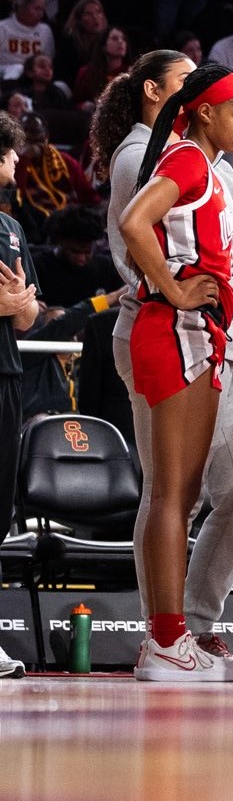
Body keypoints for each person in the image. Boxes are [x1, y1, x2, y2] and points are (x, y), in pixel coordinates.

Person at [98, 50, 233, 678]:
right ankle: (168, 638)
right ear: (201, 109)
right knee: (174, 492)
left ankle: (182, 636)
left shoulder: (203, 161)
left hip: (203, 334)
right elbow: (133, 226)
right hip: (173, 329)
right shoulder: (171, 157)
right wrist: (175, 289)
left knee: (203, 489)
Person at [0, 110, 39, 679]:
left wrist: (16, 305)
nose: (14, 164)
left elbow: (29, 312)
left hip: (6, 377)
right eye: (9, 155)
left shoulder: (12, 229)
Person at [14, 112, 98, 224]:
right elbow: (13, 198)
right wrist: (22, 162)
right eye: (27, 140)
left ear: (46, 137)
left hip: (67, 220)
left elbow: (87, 196)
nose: (31, 145)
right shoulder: (11, 164)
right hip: (28, 223)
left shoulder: (65, 162)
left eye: (36, 139)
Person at [31, 205, 122, 307]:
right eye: (75, 252)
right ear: (60, 242)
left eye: (87, 252)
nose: (81, 258)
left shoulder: (107, 267)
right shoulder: (38, 267)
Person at [0, 0, 54, 81]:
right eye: (36, 9)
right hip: (5, 77)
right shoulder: (3, 27)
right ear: (21, 7)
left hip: (34, 77)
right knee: (18, 68)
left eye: (42, 9)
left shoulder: (45, 30)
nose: (41, 14)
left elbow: (49, 60)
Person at [73, 26, 131, 107]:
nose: (121, 42)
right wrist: (84, 105)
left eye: (123, 39)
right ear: (103, 46)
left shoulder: (130, 73)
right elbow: (75, 102)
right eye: (115, 38)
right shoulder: (86, 72)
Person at [55, 0, 107, 85]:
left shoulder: (109, 39)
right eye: (88, 14)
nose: (95, 17)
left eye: (98, 12)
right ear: (79, 19)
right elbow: (62, 73)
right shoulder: (70, 40)